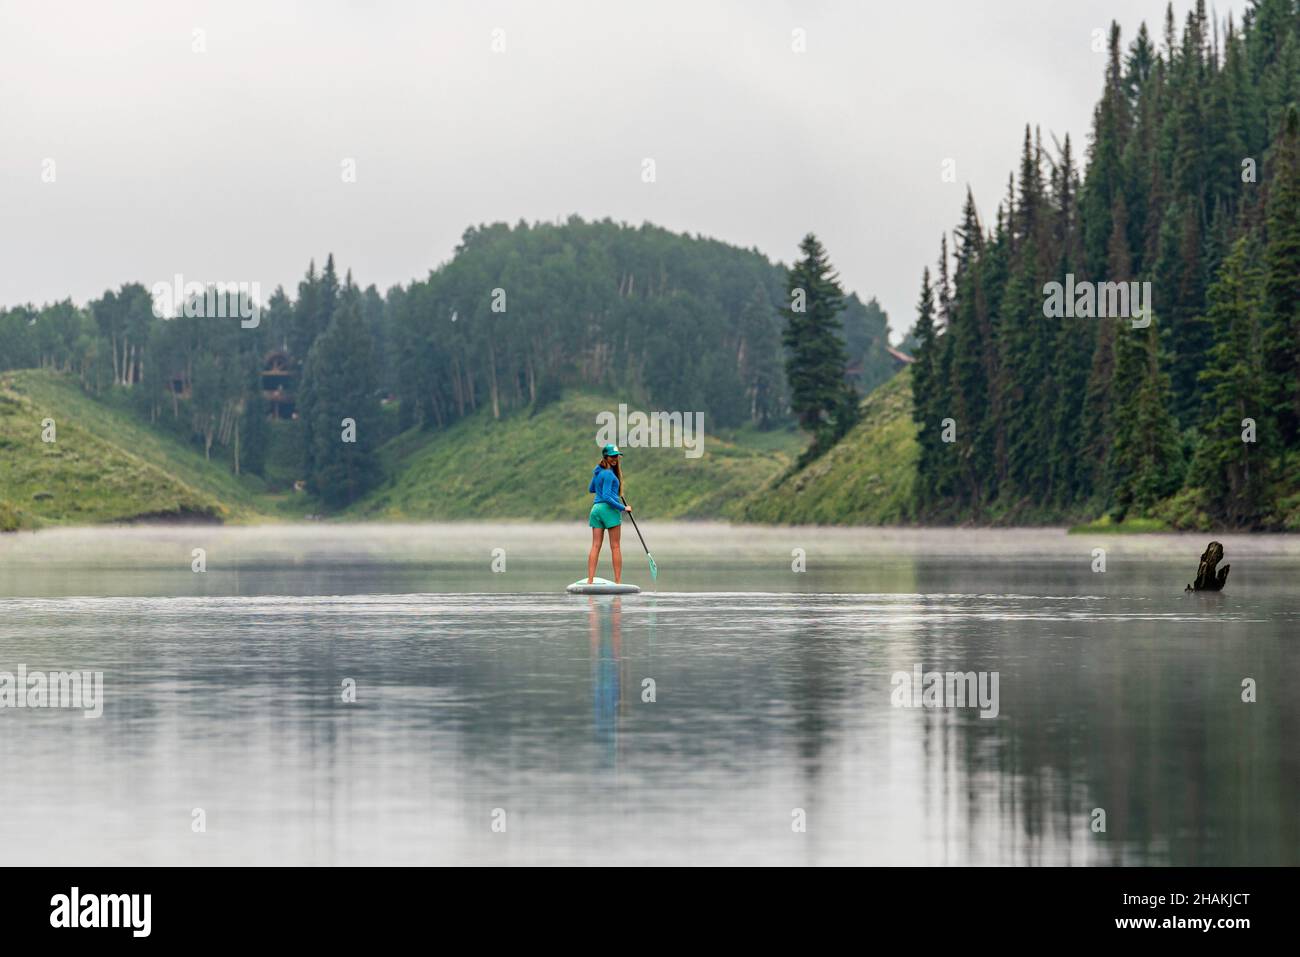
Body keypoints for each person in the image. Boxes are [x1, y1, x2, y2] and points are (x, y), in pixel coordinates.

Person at [586, 443, 631, 584]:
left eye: (616, 456)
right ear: (605, 456)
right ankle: (618, 582)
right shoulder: (610, 475)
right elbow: (606, 496)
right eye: (612, 456)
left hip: (596, 510)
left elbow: (591, 488)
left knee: (595, 545)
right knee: (615, 546)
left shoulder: (599, 472)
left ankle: (590, 580)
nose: (615, 459)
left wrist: (597, 474)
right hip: (608, 510)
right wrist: (623, 508)